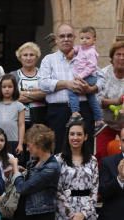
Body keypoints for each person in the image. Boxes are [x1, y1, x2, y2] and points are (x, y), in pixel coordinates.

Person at [38, 24, 102, 153]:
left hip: (83, 109)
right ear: (56, 39)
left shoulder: (85, 54)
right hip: (58, 112)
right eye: (62, 36)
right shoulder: (49, 60)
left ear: (74, 38)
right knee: (59, 151)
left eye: (69, 36)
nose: (66, 39)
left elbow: (101, 78)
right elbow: (42, 83)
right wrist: (66, 84)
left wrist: (91, 88)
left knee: (85, 151)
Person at [55, 119, 98, 220]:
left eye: (79, 134)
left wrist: (83, 215)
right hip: (65, 215)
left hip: (87, 215)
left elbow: (95, 190)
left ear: (86, 137)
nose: (75, 137)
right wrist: (73, 215)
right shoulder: (59, 159)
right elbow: (57, 191)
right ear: (67, 136)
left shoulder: (92, 160)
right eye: (72, 134)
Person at [11, 124, 60, 220]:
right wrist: (22, 172)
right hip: (26, 215)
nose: (27, 148)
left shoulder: (52, 167)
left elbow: (23, 188)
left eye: (29, 144)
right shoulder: (34, 162)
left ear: (39, 144)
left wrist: (15, 169)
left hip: (40, 219)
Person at [67, 26, 104, 134]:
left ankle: (75, 113)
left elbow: (92, 67)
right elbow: (77, 48)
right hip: (84, 76)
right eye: (82, 38)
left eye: (87, 38)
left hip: (88, 77)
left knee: (72, 90)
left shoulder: (91, 52)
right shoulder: (82, 48)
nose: (84, 41)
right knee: (91, 98)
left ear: (94, 40)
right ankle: (99, 120)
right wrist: (73, 51)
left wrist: (81, 76)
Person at [96, 40, 124, 162]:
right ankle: (104, 180)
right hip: (105, 123)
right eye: (118, 54)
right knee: (102, 155)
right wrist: (115, 102)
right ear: (112, 57)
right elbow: (97, 100)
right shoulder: (103, 74)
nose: (121, 58)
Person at [0, 74, 25, 155]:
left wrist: (20, 144)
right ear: (0, 89)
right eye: (4, 87)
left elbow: (21, 125)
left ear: (15, 88)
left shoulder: (19, 106)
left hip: (13, 141)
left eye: (10, 86)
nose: (7, 89)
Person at [14, 42, 47, 130]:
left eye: (32, 55)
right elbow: (13, 97)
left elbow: (46, 93)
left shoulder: (44, 75)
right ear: (20, 57)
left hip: (40, 121)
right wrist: (37, 94)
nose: (28, 58)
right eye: (25, 55)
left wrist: (24, 93)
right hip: (19, 122)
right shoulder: (13, 76)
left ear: (37, 57)